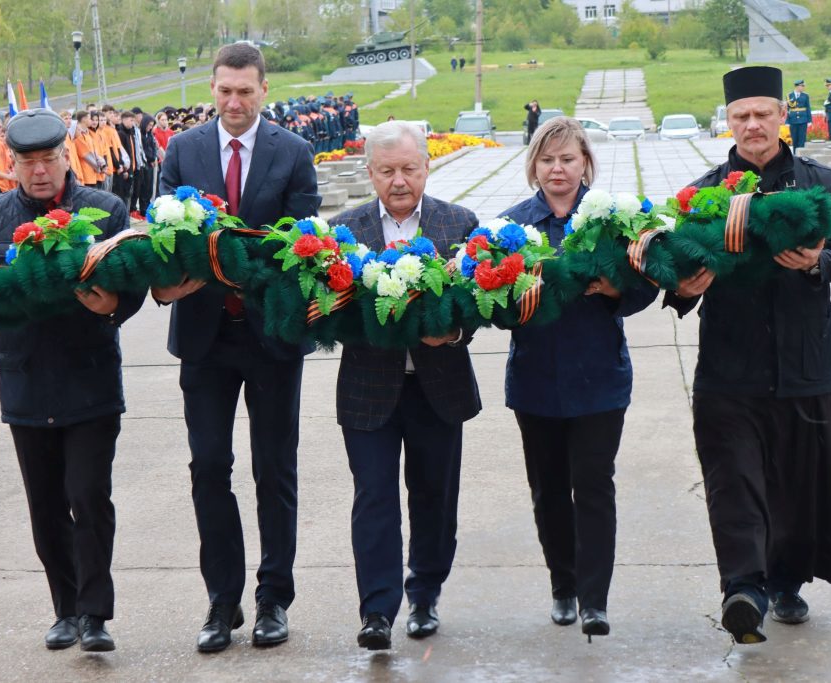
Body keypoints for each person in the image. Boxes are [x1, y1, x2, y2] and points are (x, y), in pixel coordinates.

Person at [0, 108, 145, 653]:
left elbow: (134, 283)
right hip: (25, 380)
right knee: (46, 504)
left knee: (88, 496)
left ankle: (96, 615)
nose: (39, 171)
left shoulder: (103, 209)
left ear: (65, 156)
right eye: (27, 161)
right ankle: (66, 609)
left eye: (49, 158)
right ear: (13, 162)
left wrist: (114, 305)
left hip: (90, 378)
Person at [664, 65, 831, 645]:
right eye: (740, 116)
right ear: (729, 122)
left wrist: (822, 263)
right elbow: (675, 265)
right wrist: (683, 288)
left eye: (761, 114)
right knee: (733, 480)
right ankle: (743, 588)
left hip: (805, 362)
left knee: (798, 481)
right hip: (728, 368)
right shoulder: (703, 193)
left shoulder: (824, 185)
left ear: (781, 118)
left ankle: (787, 582)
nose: (752, 125)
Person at [153, 43, 320, 654]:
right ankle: (222, 601)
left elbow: (304, 248)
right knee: (208, 468)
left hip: (272, 338)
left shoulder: (294, 153)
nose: (233, 102)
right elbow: (163, 236)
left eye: (245, 91)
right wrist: (173, 280)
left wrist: (238, 265)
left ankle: (274, 597)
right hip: (204, 338)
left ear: (263, 91)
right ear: (212, 88)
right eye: (224, 90)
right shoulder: (183, 150)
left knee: (274, 469)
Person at [499, 117, 658, 642]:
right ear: (533, 166)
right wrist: (515, 299)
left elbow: (645, 288)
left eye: (568, 159)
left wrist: (616, 290)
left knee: (593, 486)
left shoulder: (611, 220)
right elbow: (493, 307)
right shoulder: (512, 227)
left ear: (585, 162)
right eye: (547, 160)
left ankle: (595, 599)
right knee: (548, 490)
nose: (557, 169)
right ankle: (563, 586)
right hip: (537, 381)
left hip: (599, 380)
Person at [329, 121, 481, 650]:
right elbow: (328, 313)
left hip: (438, 387)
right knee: (373, 497)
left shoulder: (458, 224)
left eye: (409, 169)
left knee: (434, 496)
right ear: (370, 172)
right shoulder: (343, 233)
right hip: (369, 389)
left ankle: (424, 593)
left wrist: (455, 329)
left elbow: (481, 304)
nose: (399, 181)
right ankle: (376, 610)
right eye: (387, 170)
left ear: (426, 167)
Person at [786, 79, 810, 151]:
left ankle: (801, 156)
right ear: (797, 87)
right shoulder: (789, 96)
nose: (803, 87)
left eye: (803, 86)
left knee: (802, 139)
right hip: (793, 120)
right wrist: (787, 121)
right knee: (795, 139)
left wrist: (809, 120)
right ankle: (795, 156)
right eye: (801, 86)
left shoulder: (805, 96)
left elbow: (808, 108)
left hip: (803, 120)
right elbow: (787, 109)